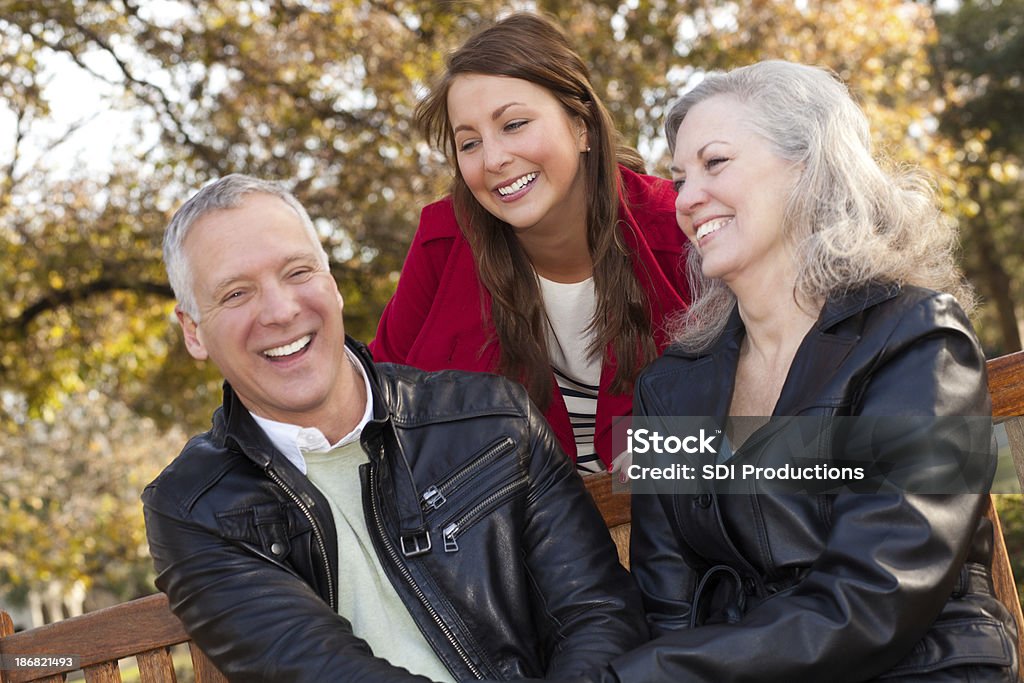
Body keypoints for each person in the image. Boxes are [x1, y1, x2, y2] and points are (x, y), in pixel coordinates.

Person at [558, 60, 1019, 681]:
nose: (687, 199)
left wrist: (642, 675)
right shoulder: (670, 388)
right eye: (680, 177)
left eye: (715, 164)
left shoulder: (919, 338)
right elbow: (669, 607)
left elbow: (878, 596)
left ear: (809, 167)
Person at [141, 174, 647, 682]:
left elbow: (598, 614)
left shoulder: (492, 417)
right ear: (193, 332)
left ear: (332, 285)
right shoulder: (193, 507)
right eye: (235, 293)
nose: (280, 310)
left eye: (297, 272)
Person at [370, 13, 690, 474]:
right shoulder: (441, 245)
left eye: (514, 124)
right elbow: (378, 415)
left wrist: (674, 455)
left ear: (581, 127)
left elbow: (806, 445)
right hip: (515, 537)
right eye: (469, 143)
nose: (494, 158)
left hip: (689, 530)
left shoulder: (681, 230)